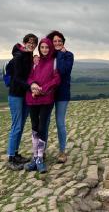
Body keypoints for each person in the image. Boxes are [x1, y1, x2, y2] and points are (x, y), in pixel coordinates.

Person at [24, 38, 61, 173]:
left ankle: (40, 158)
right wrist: (33, 85)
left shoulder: (54, 62)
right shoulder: (36, 61)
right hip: (32, 99)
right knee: (34, 127)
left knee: (42, 127)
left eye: (47, 47)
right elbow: (29, 77)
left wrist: (42, 89)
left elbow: (56, 79)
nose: (44, 50)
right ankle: (35, 157)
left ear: (50, 48)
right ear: (39, 48)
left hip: (46, 99)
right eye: (42, 47)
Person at [7, 33, 38, 171]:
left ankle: (16, 153)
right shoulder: (19, 56)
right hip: (16, 95)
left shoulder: (28, 55)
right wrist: (30, 86)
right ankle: (11, 158)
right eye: (29, 42)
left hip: (24, 95)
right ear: (24, 42)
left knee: (20, 125)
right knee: (16, 126)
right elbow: (17, 78)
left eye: (34, 43)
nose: (31, 45)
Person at [45, 30, 74, 164]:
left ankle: (62, 151)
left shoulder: (68, 55)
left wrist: (60, 54)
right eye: (55, 41)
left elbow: (62, 71)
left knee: (60, 122)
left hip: (62, 93)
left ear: (63, 43)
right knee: (44, 122)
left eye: (59, 41)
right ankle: (41, 150)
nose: (57, 43)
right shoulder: (49, 56)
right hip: (48, 93)